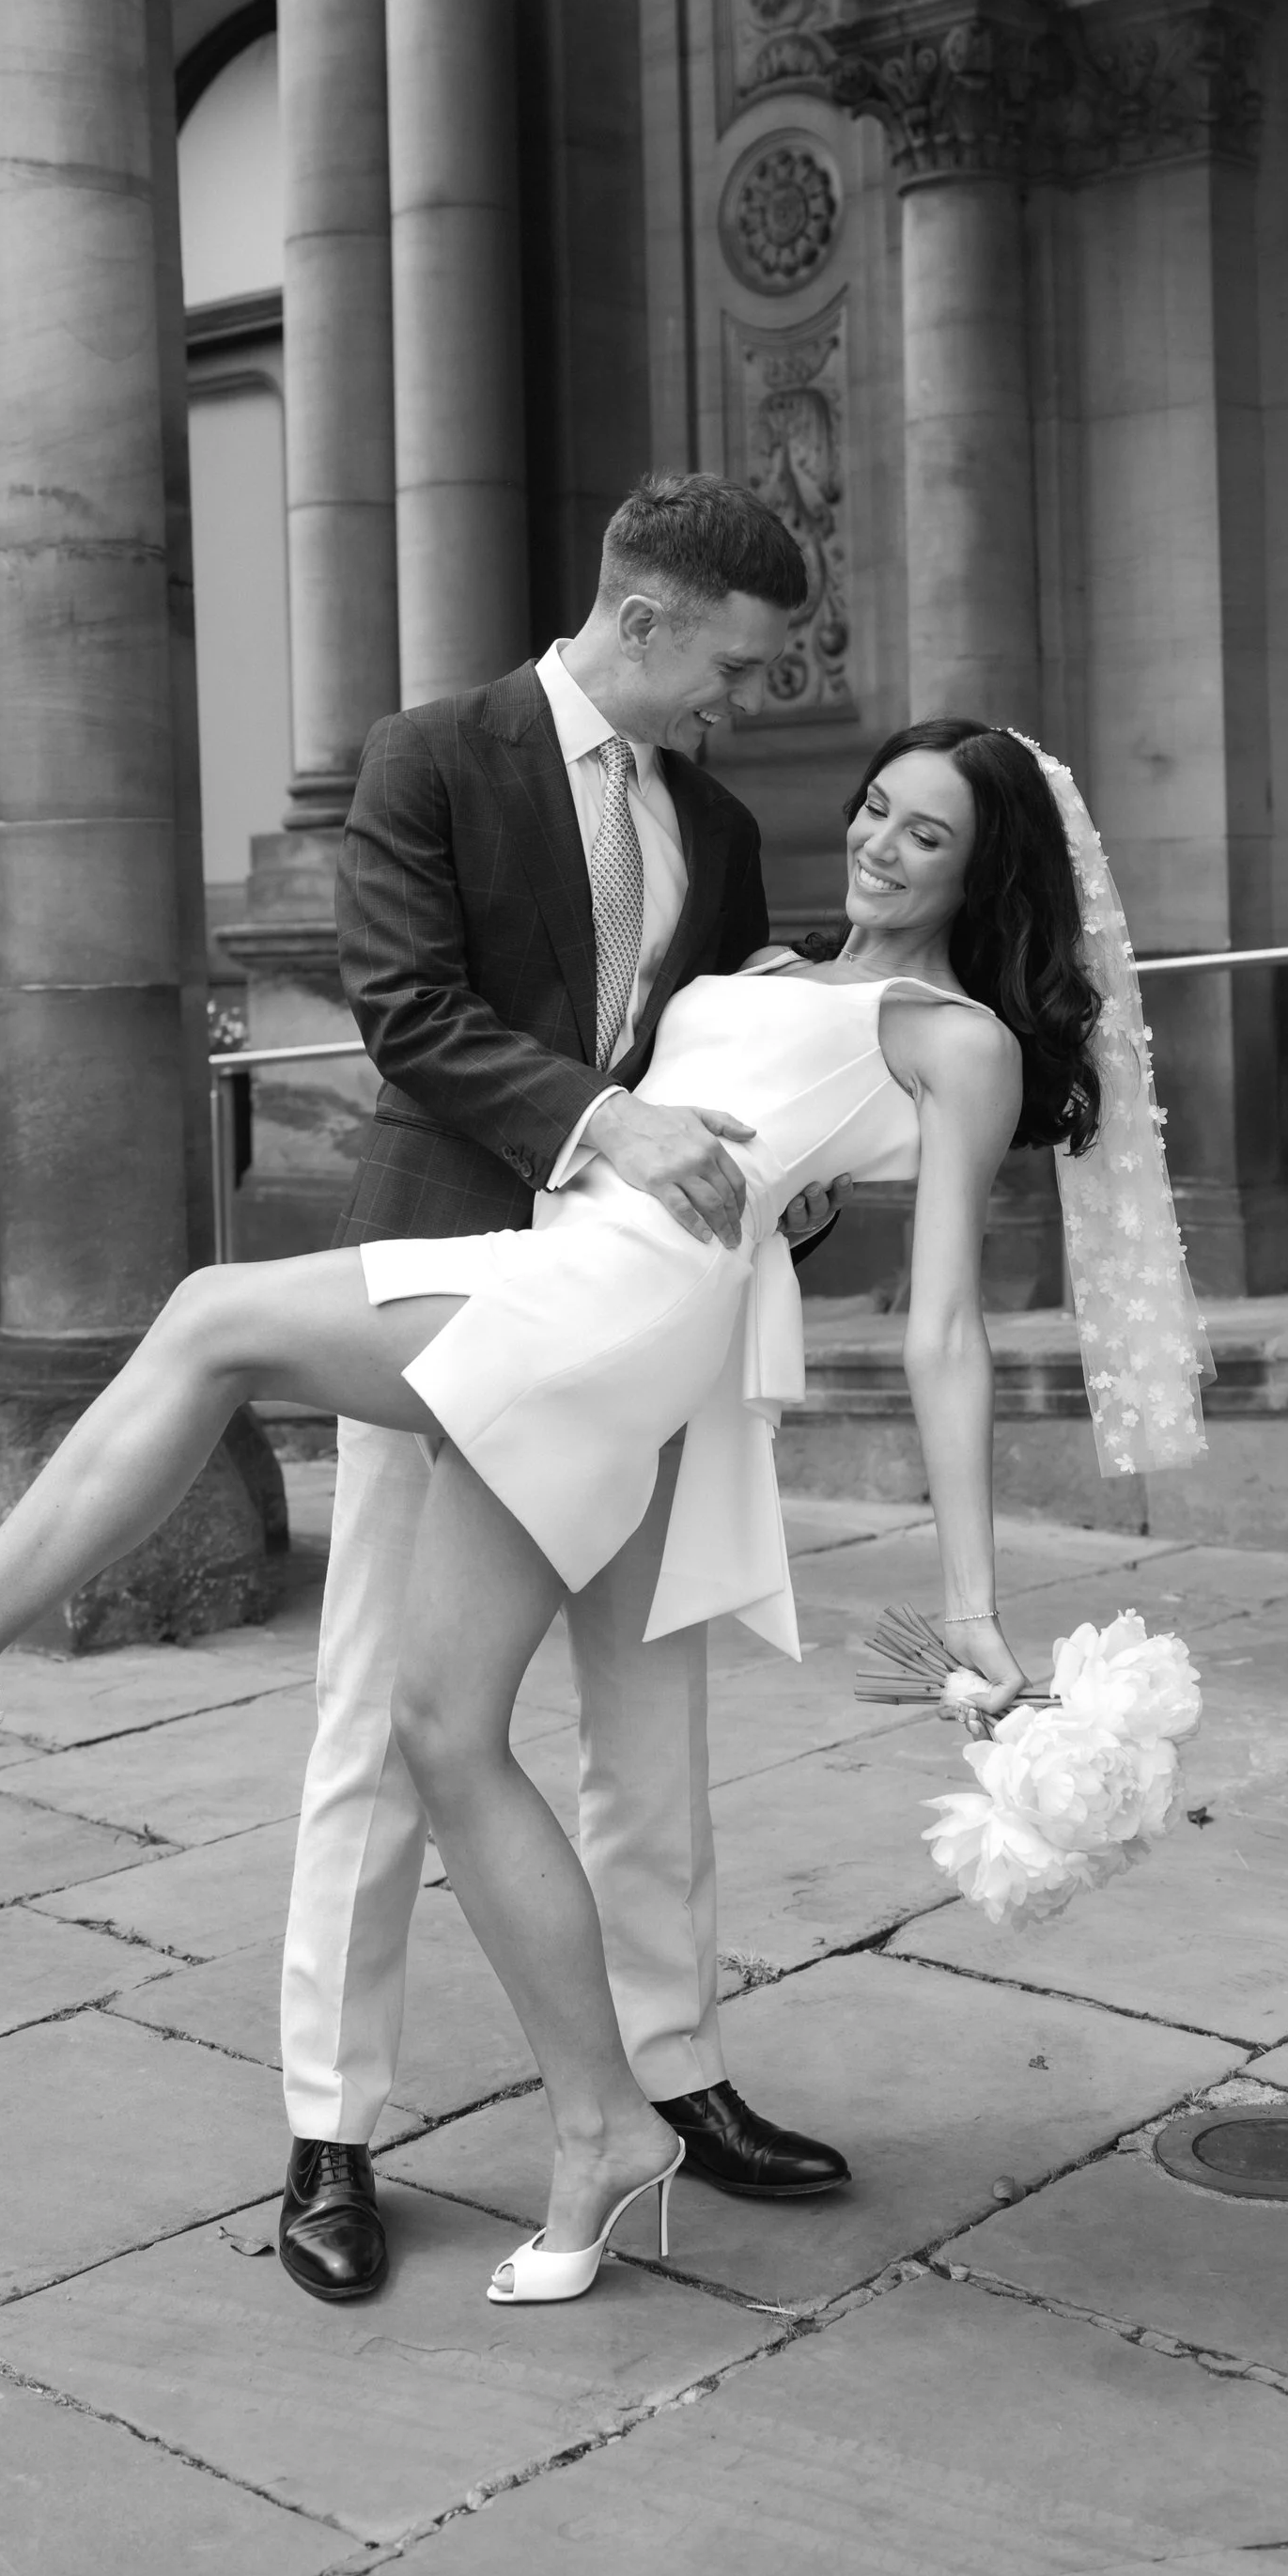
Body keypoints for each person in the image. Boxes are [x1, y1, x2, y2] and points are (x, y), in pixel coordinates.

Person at [0, 710, 1210, 2304]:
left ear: (983, 865)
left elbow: (947, 1326)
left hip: (611, 1314)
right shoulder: (773, 960)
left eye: (924, 832)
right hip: (558, 1270)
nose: (878, 842)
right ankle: (602, 2127)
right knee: (437, 1731)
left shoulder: (957, 1035)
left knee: (209, 1316)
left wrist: (970, 1599)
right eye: (875, 809)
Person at [278, 474, 849, 2305]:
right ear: (648, 613)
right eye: (737, 670)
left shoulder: (719, 827)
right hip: (448, 1296)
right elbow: (406, 1012)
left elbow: (731, 1082)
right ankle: (331, 2125)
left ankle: (668, 2076)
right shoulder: (431, 755)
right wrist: (615, 1126)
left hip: (638, 1328)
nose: (739, 708)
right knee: (384, 1720)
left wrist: (786, 1175)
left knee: (648, 1712)